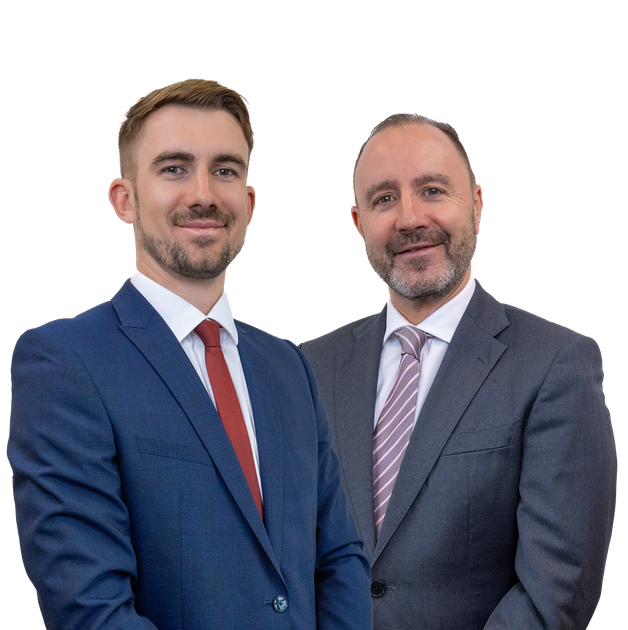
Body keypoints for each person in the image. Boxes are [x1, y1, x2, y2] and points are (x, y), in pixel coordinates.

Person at [7, 78, 372, 630]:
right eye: (174, 168)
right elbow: (91, 608)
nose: (203, 193)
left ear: (249, 200)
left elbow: (338, 557)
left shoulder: (287, 366)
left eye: (225, 170)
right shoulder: (65, 363)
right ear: (123, 199)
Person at [300, 112, 616, 629]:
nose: (408, 219)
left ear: (477, 204)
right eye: (384, 199)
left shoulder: (555, 364)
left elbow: (555, 588)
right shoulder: (310, 367)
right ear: (358, 223)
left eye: (431, 190)